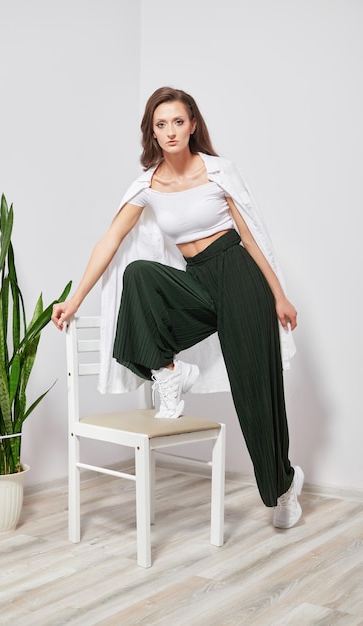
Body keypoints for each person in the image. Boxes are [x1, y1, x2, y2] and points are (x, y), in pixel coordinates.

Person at [52, 86, 304, 529]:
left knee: (256, 393)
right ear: (152, 131)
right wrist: (74, 300)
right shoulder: (147, 185)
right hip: (198, 280)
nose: (170, 131)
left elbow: (251, 236)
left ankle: (283, 485)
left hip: (240, 276)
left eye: (178, 122)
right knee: (140, 275)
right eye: (161, 124)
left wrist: (279, 294)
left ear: (193, 126)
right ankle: (169, 372)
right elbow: (109, 243)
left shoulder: (219, 172)